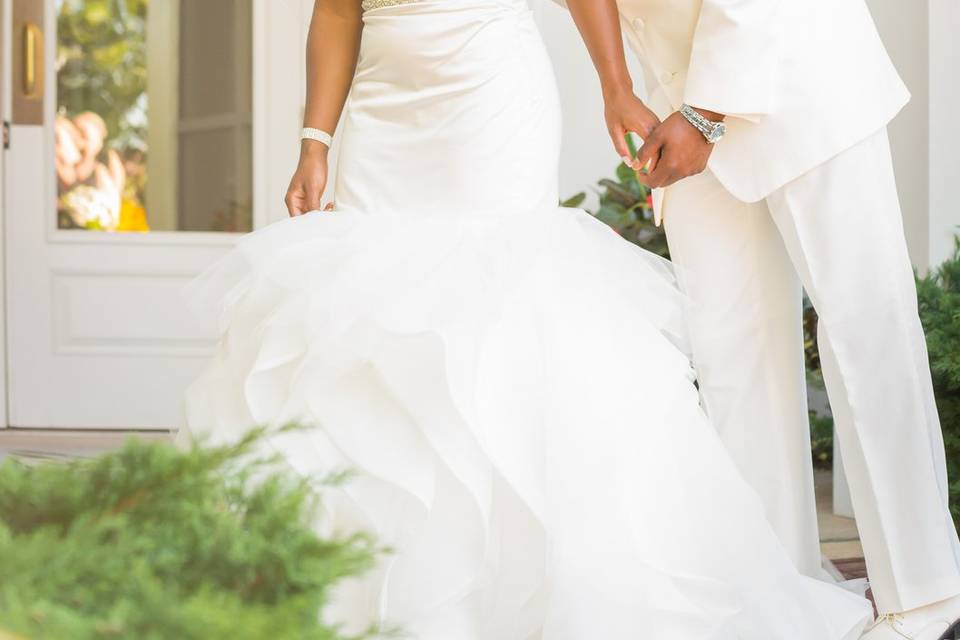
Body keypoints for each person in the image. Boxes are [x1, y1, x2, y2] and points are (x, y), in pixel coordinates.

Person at [181, 0, 873, 637]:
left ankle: (511, 586)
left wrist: (615, 88)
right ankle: (378, 581)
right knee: (375, 319)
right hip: (384, 117)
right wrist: (315, 141)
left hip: (491, 100)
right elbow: (336, 6)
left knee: (498, 308)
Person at [564, 1, 960, 638]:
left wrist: (707, 112)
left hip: (797, 70)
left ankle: (927, 597)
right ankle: (778, 592)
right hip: (678, 101)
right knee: (731, 357)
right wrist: (617, 86)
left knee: (865, 326)